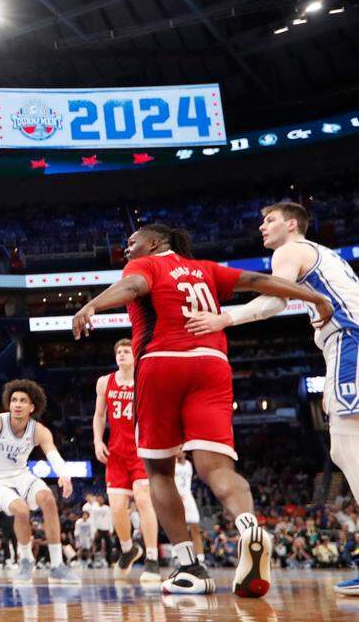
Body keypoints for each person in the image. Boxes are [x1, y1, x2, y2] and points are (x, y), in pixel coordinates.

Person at [71, 222, 333, 597]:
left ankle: (189, 566)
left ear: (156, 242)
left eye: (133, 241)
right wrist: (313, 297)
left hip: (161, 362)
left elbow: (131, 288)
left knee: (158, 471)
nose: (127, 248)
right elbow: (259, 282)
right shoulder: (206, 269)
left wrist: (93, 303)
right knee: (216, 468)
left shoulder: (146, 266)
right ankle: (249, 528)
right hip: (212, 364)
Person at [178, 203, 359, 597]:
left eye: (269, 220)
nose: (262, 226)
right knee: (347, 448)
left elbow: (275, 301)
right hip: (345, 341)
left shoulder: (290, 249)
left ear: (291, 224)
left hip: (349, 339)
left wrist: (222, 319)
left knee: (348, 447)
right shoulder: (322, 254)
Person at [0, 379, 80, 585]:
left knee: (48, 498)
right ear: (9, 405)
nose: (17, 404)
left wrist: (64, 474)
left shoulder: (39, 431)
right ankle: (26, 559)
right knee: (21, 510)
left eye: (23, 401)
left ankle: (57, 565)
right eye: (14, 400)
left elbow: (53, 454)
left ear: (32, 407)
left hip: (21, 475)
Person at [92, 338, 162, 584]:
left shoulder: (145, 380)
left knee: (143, 499)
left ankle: (152, 558)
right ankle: (128, 549)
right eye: (118, 351)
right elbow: (99, 416)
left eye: (126, 351)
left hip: (141, 451)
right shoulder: (105, 382)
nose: (121, 354)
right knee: (117, 508)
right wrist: (97, 441)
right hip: (116, 453)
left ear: (135, 355)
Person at [175, 451, 205, 565]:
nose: (179, 451)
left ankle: (200, 557)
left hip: (188, 496)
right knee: (178, 528)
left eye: (181, 448)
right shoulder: (172, 464)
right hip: (176, 496)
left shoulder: (189, 464)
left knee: (195, 527)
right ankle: (177, 556)